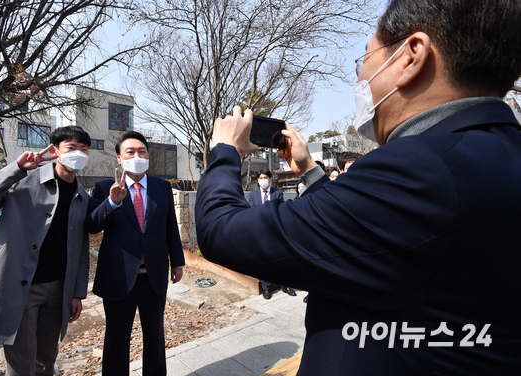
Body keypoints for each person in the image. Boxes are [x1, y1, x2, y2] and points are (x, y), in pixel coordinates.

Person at [195, 0, 521, 374]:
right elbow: (368, 236)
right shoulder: (496, 154)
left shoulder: (420, 168)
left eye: (364, 58)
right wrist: (308, 170)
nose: (360, 77)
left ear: (411, 56)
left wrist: (224, 151)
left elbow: (221, 230)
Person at [0, 126, 92, 376]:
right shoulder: (23, 181)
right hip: (22, 288)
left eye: (84, 149)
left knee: (46, 359)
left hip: (59, 289)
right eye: (71, 148)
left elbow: (81, 249)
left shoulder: (82, 196)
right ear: (55, 151)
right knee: (22, 364)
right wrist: (15, 168)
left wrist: (77, 293)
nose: (79, 154)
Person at [86, 131, 185, 376]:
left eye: (142, 151)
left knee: (155, 335)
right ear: (119, 158)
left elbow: (170, 226)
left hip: (154, 273)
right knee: (117, 338)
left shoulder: (162, 187)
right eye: (130, 152)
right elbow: (91, 225)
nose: (137, 156)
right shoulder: (102, 187)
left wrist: (178, 262)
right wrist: (112, 203)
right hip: (118, 274)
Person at [248, 169, 296, 299]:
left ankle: (286, 285)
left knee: (282, 259)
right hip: (260, 231)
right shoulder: (253, 195)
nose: (263, 180)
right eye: (261, 177)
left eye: (265, 177)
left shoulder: (277, 193)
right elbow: (251, 212)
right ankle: (266, 288)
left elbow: (280, 211)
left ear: (270, 179)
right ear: (258, 180)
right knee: (264, 260)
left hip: (275, 230)